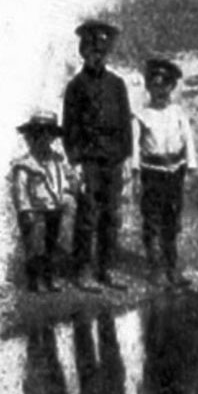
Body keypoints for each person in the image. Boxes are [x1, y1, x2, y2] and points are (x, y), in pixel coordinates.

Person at [62, 19, 134, 292]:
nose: (97, 56)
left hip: (113, 159)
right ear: (82, 52)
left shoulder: (117, 84)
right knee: (87, 216)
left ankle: (106, 269)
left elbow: (125, 124)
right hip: (89, 160)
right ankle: (82, 271)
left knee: (111, 217)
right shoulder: (76, 86)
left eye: (101, 52)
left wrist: (126, 158)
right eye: (92, 51)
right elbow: (69, 128)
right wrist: (75, 162)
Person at [134, 56, 197, 288]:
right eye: (155, 86)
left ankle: (172, 266)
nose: (160, 91)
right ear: (149, 88)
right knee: (152, 218)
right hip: (152, 172)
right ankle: (155, 267)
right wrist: (134, 173)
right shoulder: (142, 115)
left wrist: (190, 165)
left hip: (175, 172)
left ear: (172, 87)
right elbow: (135, 146)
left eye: (165, 86)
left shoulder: (178, 112)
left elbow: (188, 138)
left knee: (172, 218)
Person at [10, 111, 75, 293]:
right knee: (34, 246)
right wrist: (25, 210)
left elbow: (65, 180)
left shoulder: (57, 160)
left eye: (48, 135)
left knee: (51, 245)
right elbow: (20, 189)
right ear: (31, 137)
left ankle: (49, 277)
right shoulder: (25, 164)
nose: (43, 140)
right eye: (38, 135)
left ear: (53, 138)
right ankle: (34, 280)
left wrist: (72, 185)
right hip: (34, 210)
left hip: (53, 208)